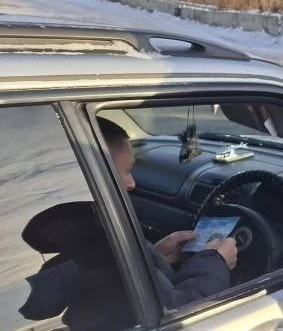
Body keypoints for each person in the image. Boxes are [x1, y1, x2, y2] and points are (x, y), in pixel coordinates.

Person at [18, 118, 238, 330]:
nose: (132, 183)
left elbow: (104, 272)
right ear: (90, 177)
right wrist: (216, 261)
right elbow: (178, 311)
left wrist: (154, 254)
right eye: (125, 171)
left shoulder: (83, 239)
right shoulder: (101, 243)